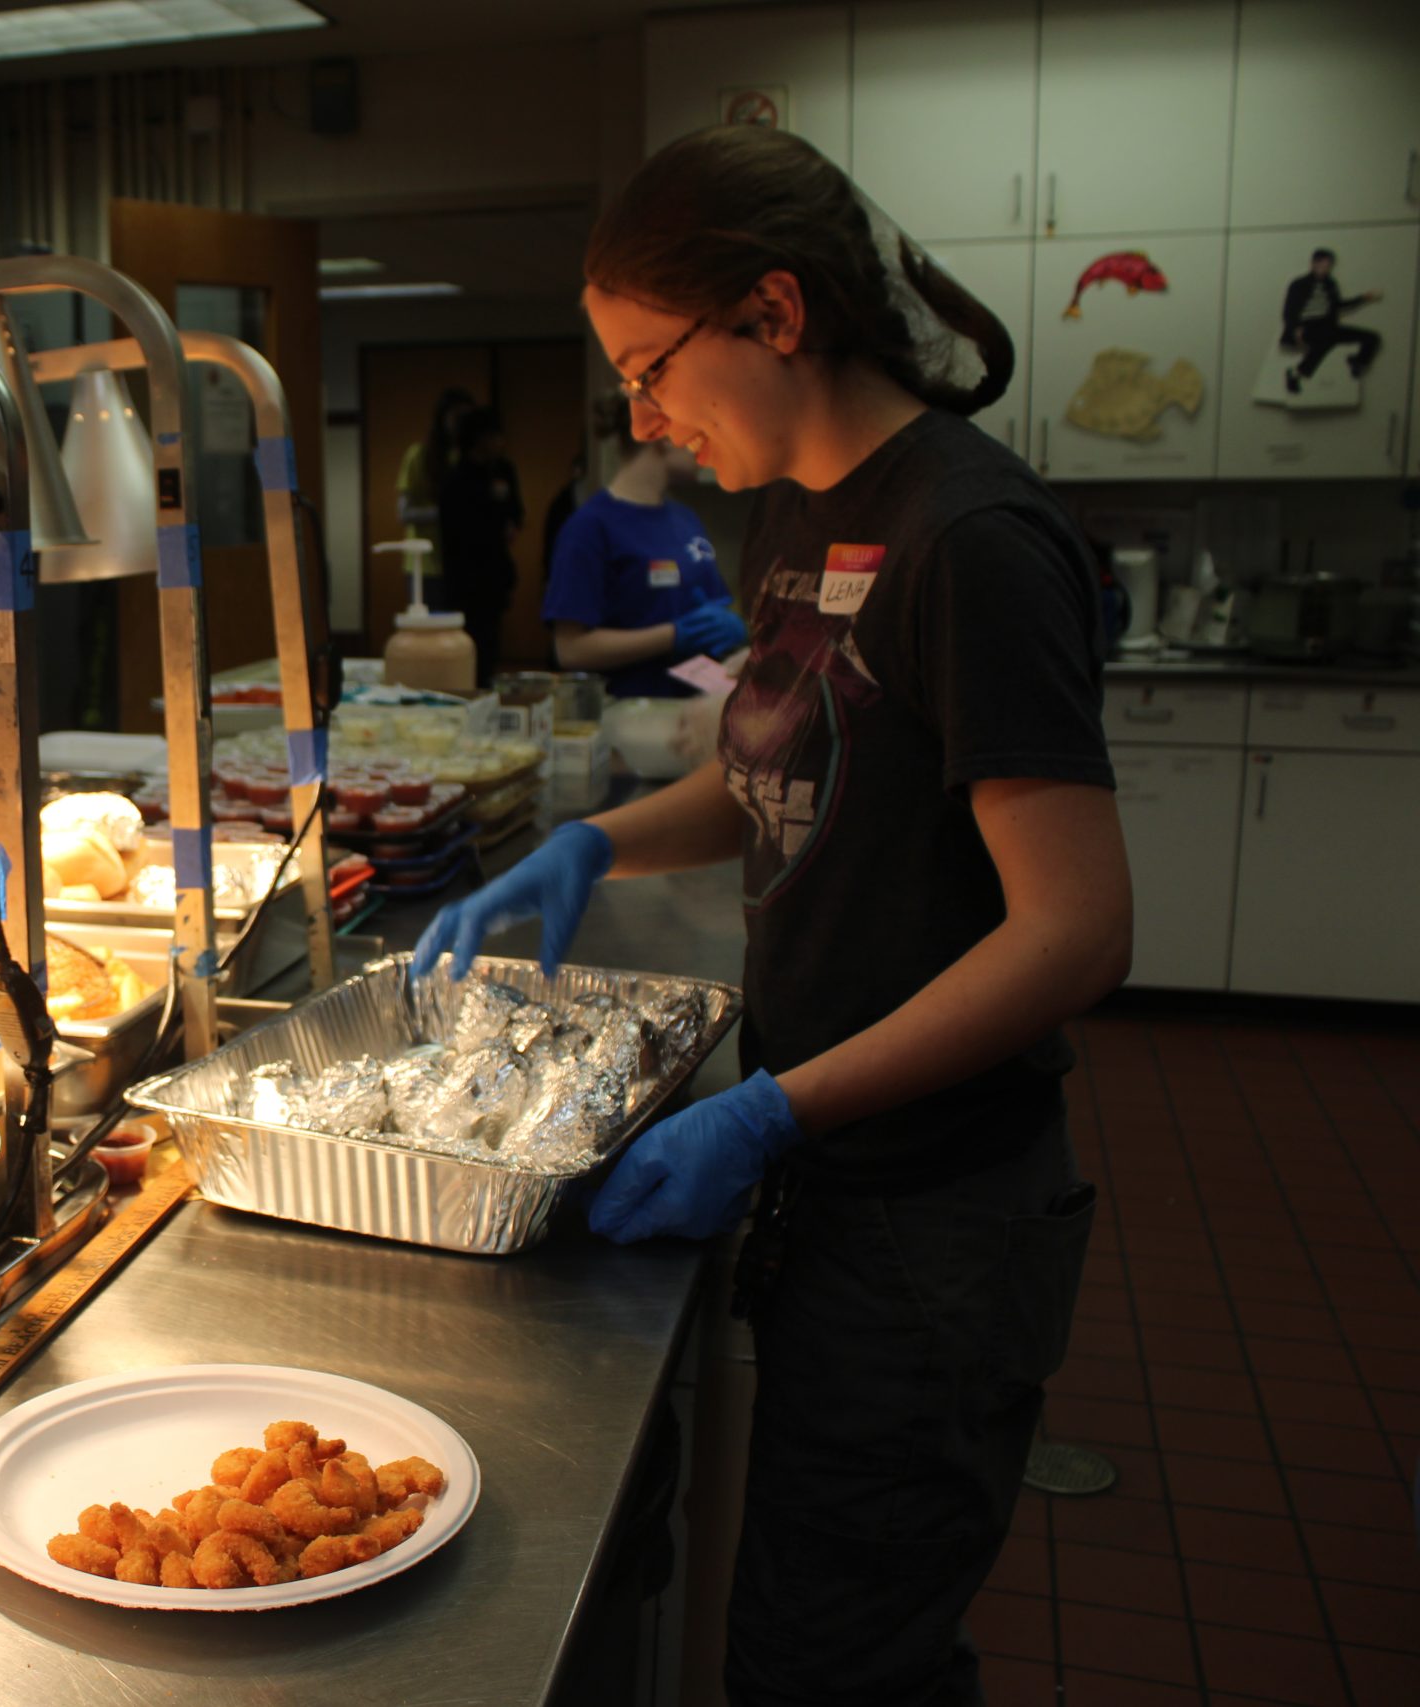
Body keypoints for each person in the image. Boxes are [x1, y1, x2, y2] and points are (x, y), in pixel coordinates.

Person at [416, 125, 1132, 1707]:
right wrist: (593, 845)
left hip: (938, 1210)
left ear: (777, 315)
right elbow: (781, 762)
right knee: (804, 1628)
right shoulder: (798, 512)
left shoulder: (974, 538)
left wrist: (774, 1109)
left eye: (652, 368)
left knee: (837, 1662)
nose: (643, 417)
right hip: (836, 1173)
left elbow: (1074, 929)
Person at [543, 397, 742, 698]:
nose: (704, 445)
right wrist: (672, 636)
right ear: (661, 434)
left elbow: (711, 608)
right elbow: (570, 650)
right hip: (628, 711)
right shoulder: (589, 528)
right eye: (697, 433)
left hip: (693, 706)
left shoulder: (686, 520)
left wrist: (730, 630)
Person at [433, 407, 524, 684]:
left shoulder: (503, 470)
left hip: (494, 576)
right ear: (479, 438)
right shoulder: (455, 478)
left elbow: (516, 513)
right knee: (463, 650)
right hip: (464, 579)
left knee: (489, 648)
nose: (500, 442)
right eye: (494, 436)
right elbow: (455, 532)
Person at [394, 387, 476, 603]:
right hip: (425, 563)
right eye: (457, 417)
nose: (461, 425)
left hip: (464, 561)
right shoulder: (419, 456)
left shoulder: (470, 461)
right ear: (443, 418)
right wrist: (445, 512)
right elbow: (404, 513)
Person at [1280, 246, 1384, 392]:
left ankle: (1357, 363)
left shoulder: (1330, 284)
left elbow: (1338, 305)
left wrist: (1363, 298)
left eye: (1328, 266)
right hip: (1307, 326)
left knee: (1372, 337)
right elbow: (1288, 311)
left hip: (1327, 326)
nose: (1325, 269)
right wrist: (1295, 329)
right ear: (1314, 264)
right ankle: (1296, 374)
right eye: (1322, 265)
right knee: (1325, 341)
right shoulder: (1299, 284)